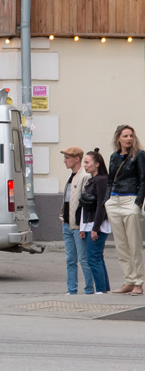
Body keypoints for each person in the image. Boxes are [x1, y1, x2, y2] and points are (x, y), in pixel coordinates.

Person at [105, 124, 145, 295]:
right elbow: (109, 180)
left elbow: (144, 180)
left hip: (130, 200)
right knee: (121, 244)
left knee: (134, 244)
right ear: (118, 139)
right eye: (125, 136)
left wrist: (138, 203)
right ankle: (128, 279)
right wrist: (107, 200)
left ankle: (138, 282)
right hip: (114, 201)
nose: (129, 139)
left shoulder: (139, 155)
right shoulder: (114, 157)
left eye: (131, 136)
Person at [78, 149, 112, 296]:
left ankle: (100, 290)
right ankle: (103, 288)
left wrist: (95, 228)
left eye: (87, 162)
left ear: (97, 164)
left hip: (97, 225)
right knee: (97, 257)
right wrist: (82, 227)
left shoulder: (101, 180)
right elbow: (86, 206)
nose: (84, 165)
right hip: (89, 224)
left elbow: (101, 205)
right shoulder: (92, 180)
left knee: (93, 257)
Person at [59, 146, 90, 295]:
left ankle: (89, 289)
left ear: (76, 159)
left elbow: (85, 203)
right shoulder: (72, 176)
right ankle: (71, 290)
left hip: (78, 225)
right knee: (70, 260)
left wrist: (83, 225)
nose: (64, 161)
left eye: (67, 158)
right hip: (67, 223)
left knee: (83, 259)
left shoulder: (84, 176)